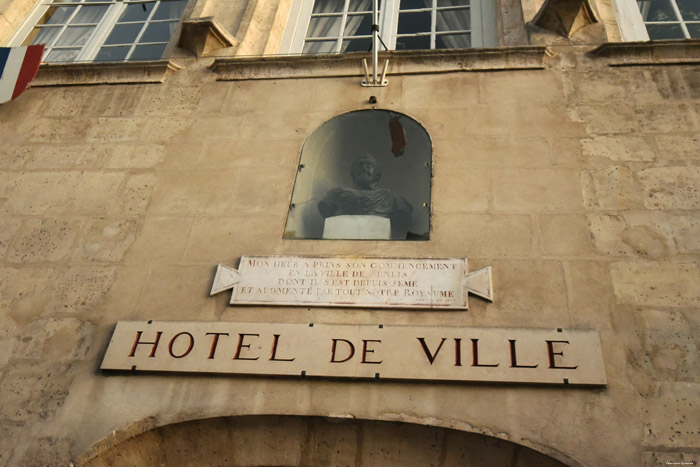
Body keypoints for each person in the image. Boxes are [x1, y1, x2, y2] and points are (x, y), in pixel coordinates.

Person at [318, 155, 412, 239]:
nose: (363, 168)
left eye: (368, 165)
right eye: (360, 165)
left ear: (377, 172)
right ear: (353, 172)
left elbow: (403, 218)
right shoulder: (336, 193)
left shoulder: (391, 197)